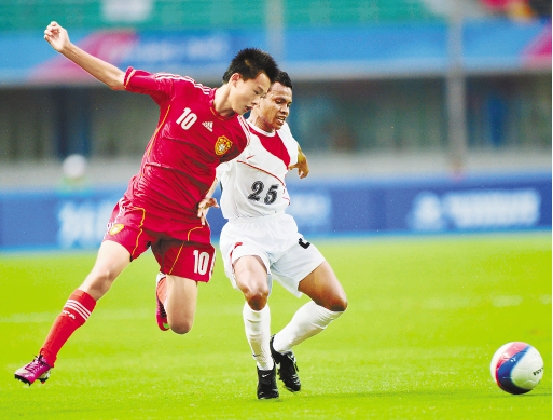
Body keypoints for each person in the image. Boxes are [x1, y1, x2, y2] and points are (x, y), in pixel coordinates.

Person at [14, 21, 279, 386]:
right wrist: (68, 49)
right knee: (102, 276)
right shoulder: (181, 91)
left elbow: (218, 169)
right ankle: (44, 358)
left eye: (263, 96)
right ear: (236, 80)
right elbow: (115, 78)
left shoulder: (238, 137)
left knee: (181, 324)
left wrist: (209, 195)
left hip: (185, 222)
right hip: (142, 207)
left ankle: (162, 285)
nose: (257, 102)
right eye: (256, 91)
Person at [216, 71, 347, 399]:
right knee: (256, 292)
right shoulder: (235, 134)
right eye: (278, 101)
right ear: (257, 98)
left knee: (335, 302)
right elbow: (209, 162)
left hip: (281, 229)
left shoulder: (283, 131)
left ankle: (279, 346)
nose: (285, 109)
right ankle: (264, 369)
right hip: (244, 231)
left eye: (288, 103)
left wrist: (302, 160)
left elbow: (291, 150)